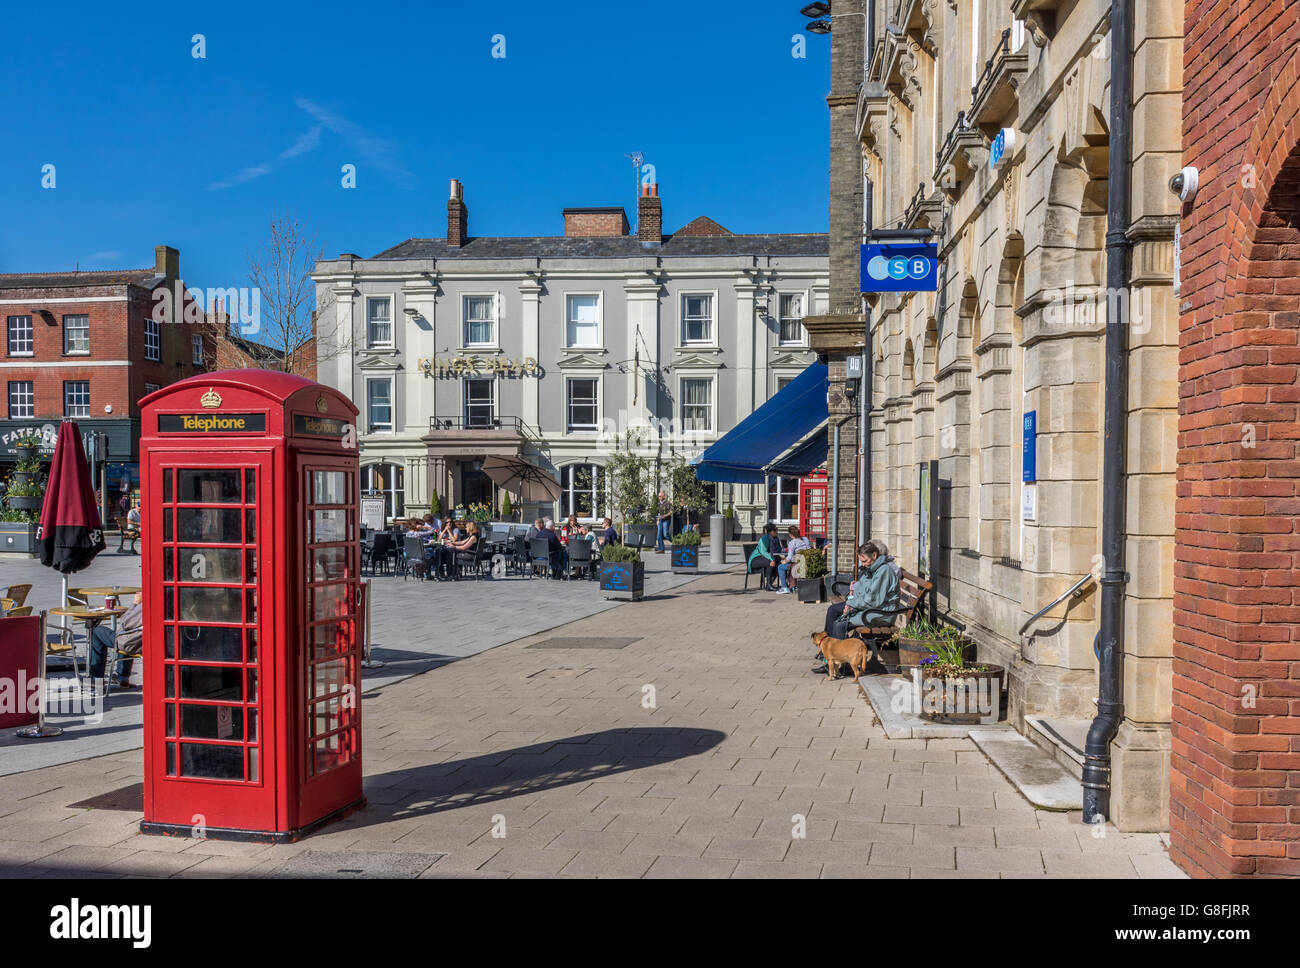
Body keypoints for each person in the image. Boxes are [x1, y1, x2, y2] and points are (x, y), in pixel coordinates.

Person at [815, 540, 900, 675]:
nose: (863, 564)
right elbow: (860, 589)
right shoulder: (872, 568)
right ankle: (829, 658)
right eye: (861, 561)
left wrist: (851, 604)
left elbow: (874, 600)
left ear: (874, 555)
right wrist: (850, 599)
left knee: (840, 623)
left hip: (881, 613)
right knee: (834, 613)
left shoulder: (883, 571)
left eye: (865, 561)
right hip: (870, 609)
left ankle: (839, 666)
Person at [89, 593, 142, 690]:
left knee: (97, 631)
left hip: (129, 643)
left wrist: (135, 603)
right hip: (142, 644)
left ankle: (97, 679)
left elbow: (125, 621)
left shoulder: (146, 605)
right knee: (125, 636)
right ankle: (123, 679)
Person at [747, 522, 783, 591]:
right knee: (771, 562)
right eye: (775, 530)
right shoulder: (764, 538)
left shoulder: (776, 539)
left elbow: (779, 550)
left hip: (766, 558)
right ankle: (769, 585)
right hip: (756, 559)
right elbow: (763, 552)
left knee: (779, 563)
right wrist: (772, 559)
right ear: (770, 532)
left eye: (777, 530)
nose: (777, 531)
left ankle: (769, 584)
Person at [777, 525, 811, 595]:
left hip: (798, 564)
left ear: (790, 534)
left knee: (780, 567)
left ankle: (784, 587)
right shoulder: (805, 539)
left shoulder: (792, 543)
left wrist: (784, 561)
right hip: (808, 562)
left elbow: (789, 558)